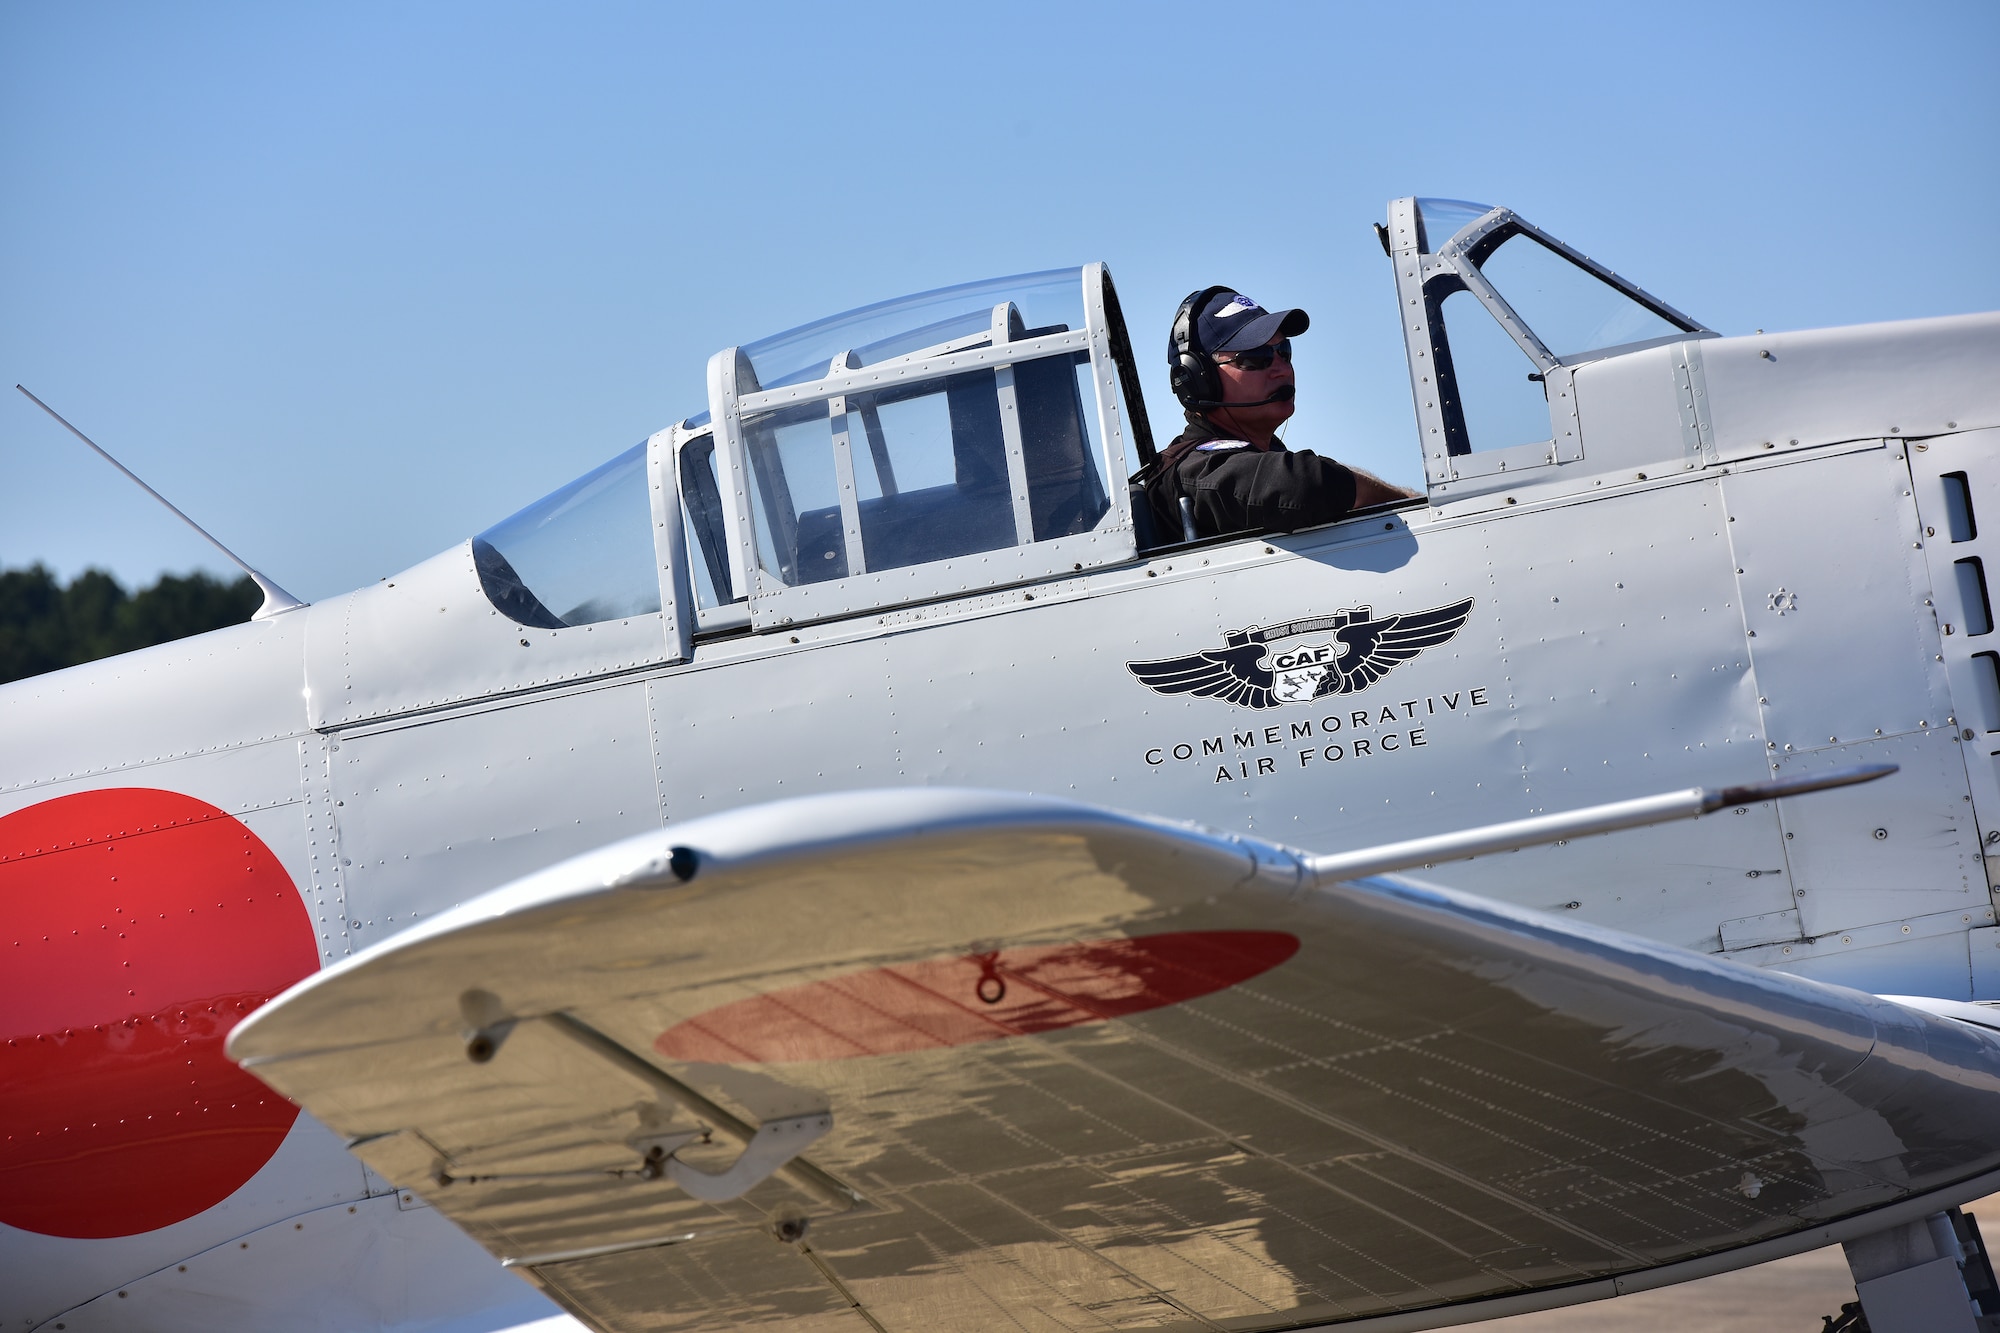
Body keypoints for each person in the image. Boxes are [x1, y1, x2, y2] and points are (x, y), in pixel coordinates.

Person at [1143, 286, 1415, 541]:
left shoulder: (1257, 454)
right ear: (1197, 377)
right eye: (1255, 358)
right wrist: (1406, 501)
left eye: (1283, 352)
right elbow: (1305, 484)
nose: (1283, 370)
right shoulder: (1194, 472)